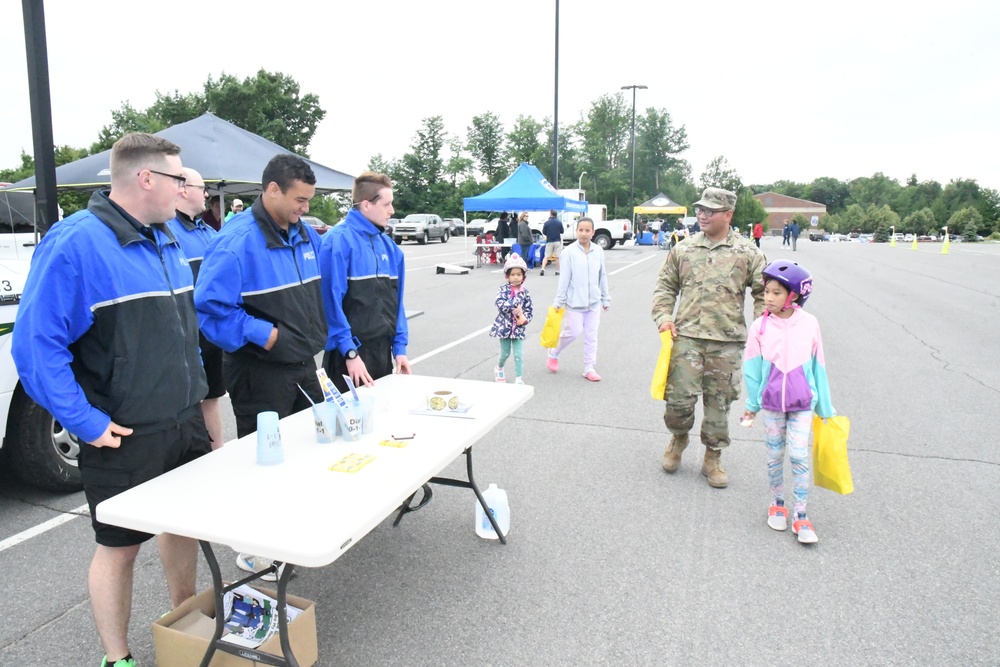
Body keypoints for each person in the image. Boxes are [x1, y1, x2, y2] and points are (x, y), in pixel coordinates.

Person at [12, 133, 211, 667]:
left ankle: (184, 619)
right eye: (180, 178)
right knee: (120, 546)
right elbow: (35, 346)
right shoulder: (76, 242)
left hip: (182, 419)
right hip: (124, 432)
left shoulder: (165, 236)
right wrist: (86, 421)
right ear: (146, 178)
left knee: (183, 523)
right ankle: (117, 657)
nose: (190, 189)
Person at [195, 154, 327, 581]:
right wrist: (263, 335)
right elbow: (210, 310)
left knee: (308, 448)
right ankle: (255, 552)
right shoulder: (236, 242)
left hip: (302, 363)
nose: (305, 208)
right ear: (272, 190)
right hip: (259, 370)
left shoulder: (304, 235)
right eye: (299, 199)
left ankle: (292, 531)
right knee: (265, 461)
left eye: (308, 200)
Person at [651, 187, 766, 488]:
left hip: (726, 342)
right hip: (686, 337)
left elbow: (764, 293)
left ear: (728, 215)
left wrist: (764, 328)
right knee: (678, 402)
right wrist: (664, 317)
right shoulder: (683, 249)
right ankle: (677, 440)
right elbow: (665, 287)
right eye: (700, 209)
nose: (702, 214)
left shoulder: (748, 252)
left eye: (710, 211)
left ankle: (713, 456)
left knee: (719, 405)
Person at [741, 260, 834, 544]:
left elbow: (819, 366)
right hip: (770, 404)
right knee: (773, 455)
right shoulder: (759, 326)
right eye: (766, 291)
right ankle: (778, 502)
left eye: (776, 292)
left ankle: (802, 514)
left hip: (802, 403)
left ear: (794, 295)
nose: (768, 297)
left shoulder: (809, 324)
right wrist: (751, 405)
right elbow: (752, 370)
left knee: (797, 454)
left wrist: (825, 408)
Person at [320, 171, 411, 393]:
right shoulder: (337, 241)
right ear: (366, 205)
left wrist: (400, 348)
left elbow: (396, 303)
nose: (392, 211)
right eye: (387, 204)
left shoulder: (391, 249)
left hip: (382, 353)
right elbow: (328, 303)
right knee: (349, 426)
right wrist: (349, 353)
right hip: (349, 358)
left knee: (382, 422)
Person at [166, 168, 226, 449]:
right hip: (186, 335)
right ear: (182, 189)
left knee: (213, 395)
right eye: (202, 188)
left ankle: (218, 451)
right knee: (189, 402)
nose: (205, 194)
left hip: (212, 334)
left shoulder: (207, 231)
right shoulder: (167, 231)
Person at [546, 217, 611, 381]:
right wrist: (558, 302)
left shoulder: (598, 251)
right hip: (574, 303)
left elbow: (602, 275)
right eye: (580, 230)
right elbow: (564, 279)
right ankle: (554, 352)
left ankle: (589, 367)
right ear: (576, 231)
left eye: (587, 230)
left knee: (591, 335)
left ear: (593, 232)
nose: (583, 233)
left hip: (594, 303)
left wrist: (605, 298)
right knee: (573, 333)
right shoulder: (568, 252)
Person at [490, 253, 534, 384]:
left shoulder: (525, 292)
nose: (516, 277)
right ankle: (499, 368)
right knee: (505, 353)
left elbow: (530, 309)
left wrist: (525, 316)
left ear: (523, 276)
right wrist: (513, 306)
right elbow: (499, 303)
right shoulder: (503, 289)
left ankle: (519, 378)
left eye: (519, 274)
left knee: (518, 355)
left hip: (518, 329)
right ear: (507, 276)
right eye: (513, 274)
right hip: (504, 328)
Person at [539, 209, 563, 276]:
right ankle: (557, 271)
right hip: (557, 241)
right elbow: (562, 231)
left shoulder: (546, 223)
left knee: (546, 256)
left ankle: (543, 269)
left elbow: (544, 232)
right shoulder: (559, 222)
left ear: (550, 214)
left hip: (549, 241)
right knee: (558, 257)